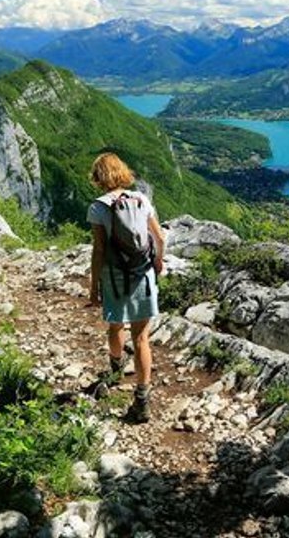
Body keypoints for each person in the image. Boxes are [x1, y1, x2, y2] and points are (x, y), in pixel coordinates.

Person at [87, 152, 165, 423]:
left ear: (98, 177)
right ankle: (142, 399)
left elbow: (99, 250)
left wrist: (94, 286)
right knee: (142, 338)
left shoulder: (98, 207)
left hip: (115, 277)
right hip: (142, 275)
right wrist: (157, 262)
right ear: (122, 172)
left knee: (115, 326)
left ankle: (115, 371)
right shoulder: (141, 199)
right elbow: (159, 237)